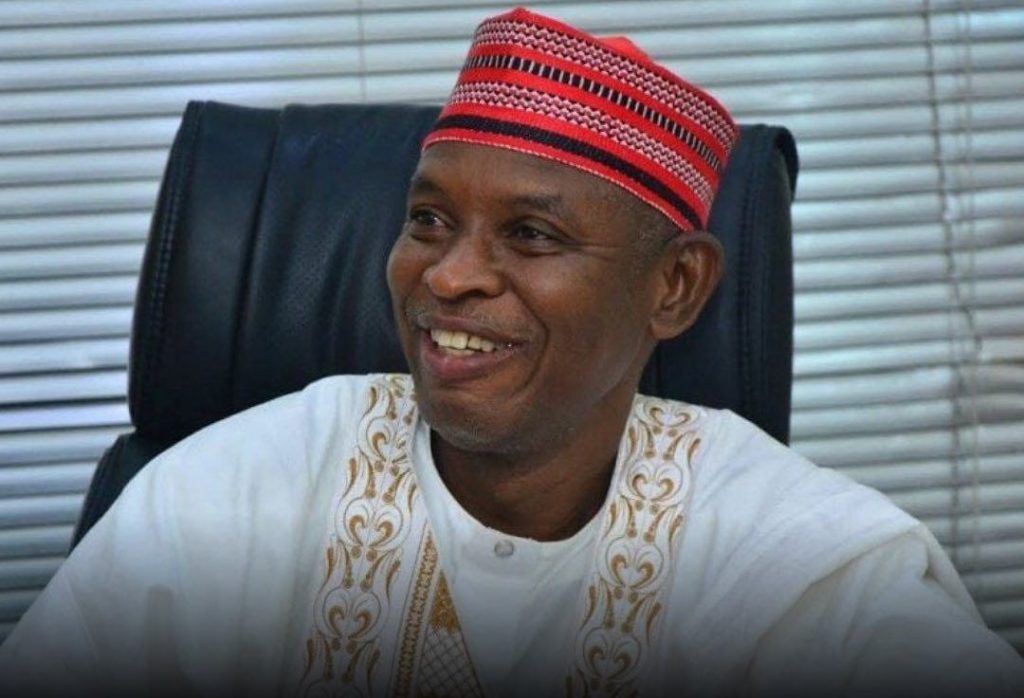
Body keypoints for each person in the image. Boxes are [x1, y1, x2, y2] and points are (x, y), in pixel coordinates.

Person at [1, 7, 1022, 698]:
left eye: (531, 235)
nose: (447, 277)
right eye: (428, 220)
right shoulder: (230, 493)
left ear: (674, 286)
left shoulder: (802, 562)